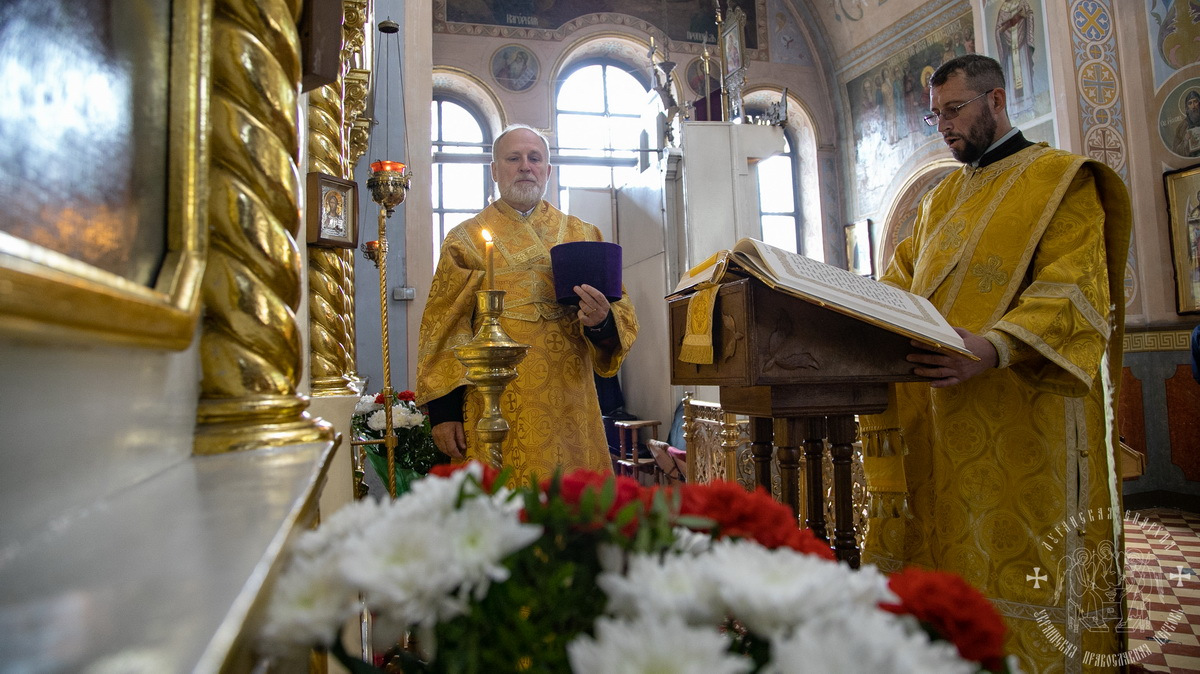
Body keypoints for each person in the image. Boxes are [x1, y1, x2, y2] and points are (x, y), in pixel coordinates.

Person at [860, 54, 1131, 671]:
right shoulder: (938, 201)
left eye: (954, 109)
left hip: (1023, 421)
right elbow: (897, 286)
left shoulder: (1061, 179)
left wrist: (992, 348)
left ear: (997, 100)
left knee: (1020, 561)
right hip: (939, 415)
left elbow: (1075, 289)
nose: (944, 126)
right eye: (935, 115)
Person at [415, 124, 638, 484]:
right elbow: (444, 326)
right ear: (495, 170)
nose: (525, 166)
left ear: (547, 170)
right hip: (493, 399)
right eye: (513, 158)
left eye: (535, 158)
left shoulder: (584, 234)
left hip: (570, 400)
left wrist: (601, 321)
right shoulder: (464, 240)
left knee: (573, 503)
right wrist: (444, 413)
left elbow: (621, 314)